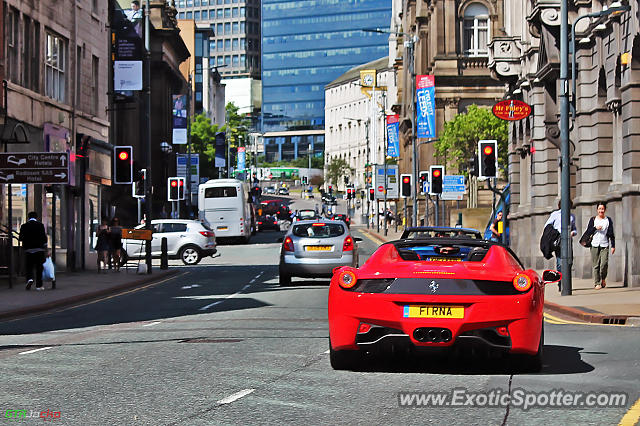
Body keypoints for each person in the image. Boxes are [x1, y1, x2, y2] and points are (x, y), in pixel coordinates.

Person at [583, 202, 615, 290]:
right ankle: (597, 283)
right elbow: (588, 231)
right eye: (599, 209)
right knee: (596, 265)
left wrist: (613, 245)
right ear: (597, 210)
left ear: (605, 210)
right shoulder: (593, 220)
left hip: (605, 244)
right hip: (594, 244)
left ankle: (603, 278)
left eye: (602, 209)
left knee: (604, 264)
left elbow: (611, 234)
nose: (601, 210)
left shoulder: (608, 220)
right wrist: (595, 228)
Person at [544, 200, 577, 272]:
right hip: (558, 240)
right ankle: (560, 281)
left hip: (568, 240)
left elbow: (574, 229)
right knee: (560, 262)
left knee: (569, 261)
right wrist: (554, 233)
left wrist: (573, 233)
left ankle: (566, 279)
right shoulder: (555, 214)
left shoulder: (572, 216)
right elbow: (547, 226)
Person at [19, 212, 48, 291]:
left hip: (28, 250)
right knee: (39, 268)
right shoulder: (40, 225)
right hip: (39, 250)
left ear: (28, 217)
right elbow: (44, 238)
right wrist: (46, 248)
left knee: (29, 267)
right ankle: (39, 286)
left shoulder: (24, 226)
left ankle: (30, 279)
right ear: (36, 217)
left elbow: (20, 238)